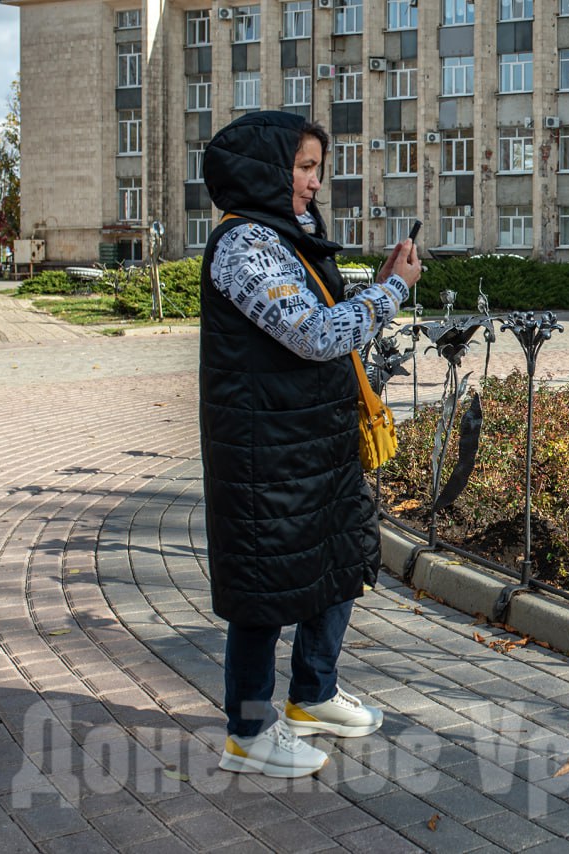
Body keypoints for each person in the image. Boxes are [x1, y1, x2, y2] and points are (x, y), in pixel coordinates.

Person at [199, 111, 422, 778]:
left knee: (339, 559)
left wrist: (374, 287)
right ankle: (247, 731)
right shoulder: (243, 247)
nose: (314, 183)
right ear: (267, 170)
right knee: (264, 586)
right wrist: (392, 293)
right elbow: (316, 334)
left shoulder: (288, 237)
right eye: (302, 168)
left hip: (313, 442)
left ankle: (313, 695)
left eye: (317, 169)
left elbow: (319, 320)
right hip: (264, 452)